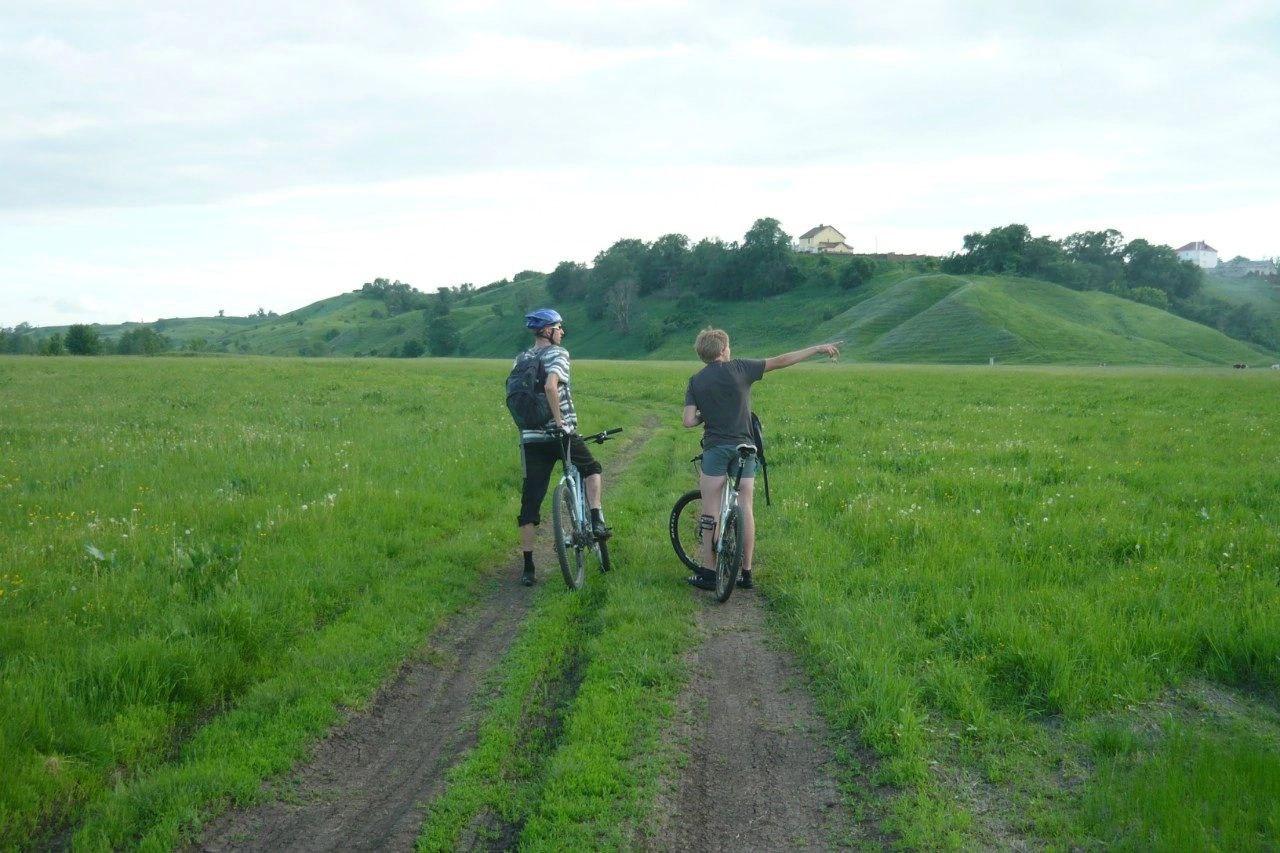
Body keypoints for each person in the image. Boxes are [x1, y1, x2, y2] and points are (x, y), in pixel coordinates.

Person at [682, 328, 841, 590]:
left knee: (710, 510)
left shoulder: (696, 381)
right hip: (746, 448)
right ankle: (746, 573)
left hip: (716, 449)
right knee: (745, 506)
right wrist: (816, 349)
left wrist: (703, 415)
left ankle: (709, 572)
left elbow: (688, 421)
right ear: (723, 350)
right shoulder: (741, 368)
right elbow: (780, 361)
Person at [516, 308, 610, 586]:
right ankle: (595, 519)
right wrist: (559, 422)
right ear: (548, 331)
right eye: (559, 327)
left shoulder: (521, 358)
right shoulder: (559, 354)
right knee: (592, 468)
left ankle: (528, 567)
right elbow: (550, 385)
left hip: (530, 439)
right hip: (560, 434)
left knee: (530, 501)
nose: (563, 331)